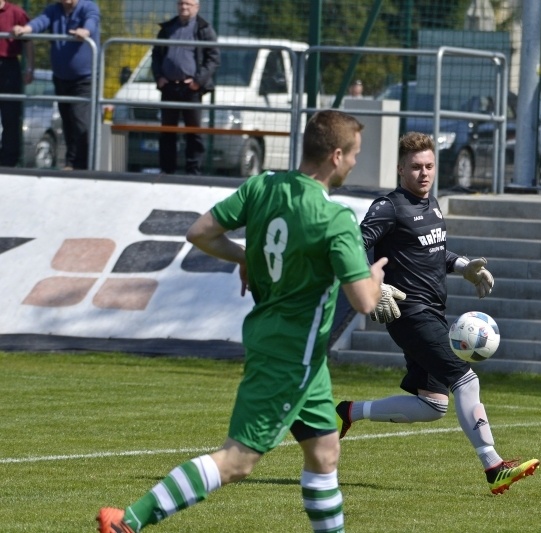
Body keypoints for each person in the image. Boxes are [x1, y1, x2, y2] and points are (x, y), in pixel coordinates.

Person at [96, 110, 387, 533]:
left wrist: (245, 256)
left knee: (324, 452)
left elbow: (200, 233)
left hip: (293, 351)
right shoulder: (334, 219)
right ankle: (131, 521)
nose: (356, 163)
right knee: (237, 460)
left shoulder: (262, 185)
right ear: (336, 156)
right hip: (291, 357)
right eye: (355, 155)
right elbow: (363, 301)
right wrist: (376, 279)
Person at [335, 132, 540, 495]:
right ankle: (494, 466)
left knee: (431, 405)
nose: (424, 173)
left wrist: (464, 267)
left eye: (429, 166)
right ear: (400, 169)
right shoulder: (389, 207)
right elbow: (351, 244)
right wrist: (372, 282)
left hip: (433, 312)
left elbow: (433, 254)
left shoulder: (432, 205)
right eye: (415, 167)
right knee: (466, 379)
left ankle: (351, 411)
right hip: (408, 312)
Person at [12, 0, 99, 170]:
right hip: (61, 77)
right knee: (67, 121)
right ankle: (71, 163)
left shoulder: (89, 7)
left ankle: (81, 166)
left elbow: (92, 21)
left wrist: (85, 31)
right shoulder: (54, 10)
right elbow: (40, 22)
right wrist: (25, 29)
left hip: (84, 79)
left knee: (80, 121)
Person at [152, 0, 220, 175]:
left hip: (191, 89)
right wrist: (159, 77)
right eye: (181, 3)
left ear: (197, 7)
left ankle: (193, 172)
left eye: (189, 4)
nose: (184, 7)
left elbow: (213, 58)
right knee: (167, 131)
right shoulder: (167, 29)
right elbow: (156, 55)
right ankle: (167, 170)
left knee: (194, 132)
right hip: (169, 87)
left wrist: (199, 81)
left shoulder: (204, 29)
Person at [0, 0, 34, 167]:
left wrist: (30, 67)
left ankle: (8, 160)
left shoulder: (17, 13)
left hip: (9, 66)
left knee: (10, 115)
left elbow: (28, 41)